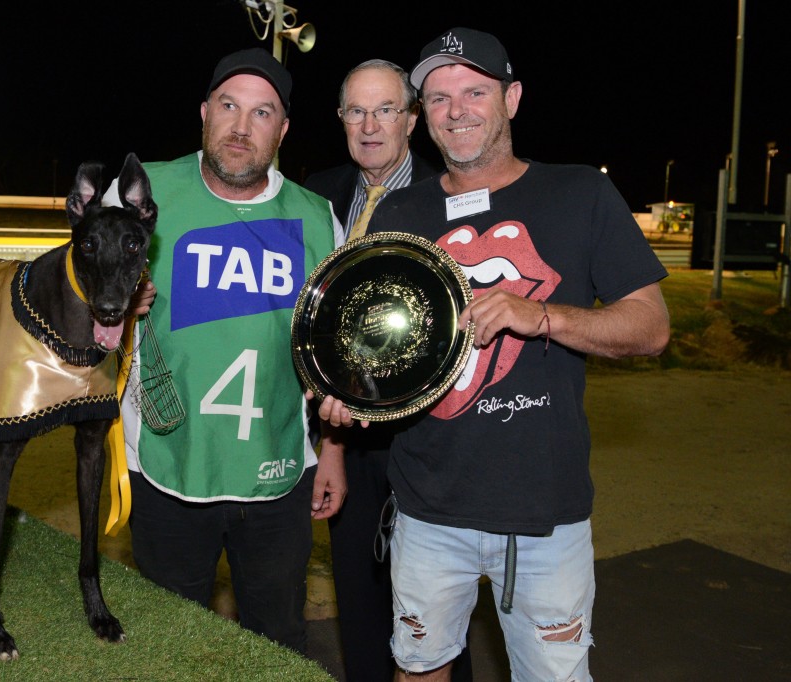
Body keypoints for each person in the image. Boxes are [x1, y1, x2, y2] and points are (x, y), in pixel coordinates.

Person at [344, 27, 670, 680]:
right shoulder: (397, 214)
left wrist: (540, 316)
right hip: (426, 510)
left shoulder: (579, 194)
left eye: (474, 92)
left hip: (544, 520)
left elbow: (650, 327)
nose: (456, 110)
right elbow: (371, 352)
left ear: (512, 98)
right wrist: (346, 400)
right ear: (422, 115)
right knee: (419, 668)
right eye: (438, 98)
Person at [106, 47, 347, 655]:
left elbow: (337, 356)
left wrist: (335, 451)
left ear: (283, 129)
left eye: (262, 113)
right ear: (205, 113)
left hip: (277, 473)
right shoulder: (140, 192)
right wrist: (109, 305)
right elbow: (75, 302)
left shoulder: (318, 218)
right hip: (165, 463)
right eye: (230, 107)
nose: (242, 127)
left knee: (277, 644)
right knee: (170, 645)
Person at [303, 59, 472, 682]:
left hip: (428, 436)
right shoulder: (315, 194)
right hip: (340, 428)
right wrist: (332, 444)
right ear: (342, 120)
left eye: (385, 110)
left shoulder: (450, 194)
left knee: (437, 607)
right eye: (355, 111)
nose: (369, 125)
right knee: (358, 596)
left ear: (411, 119)